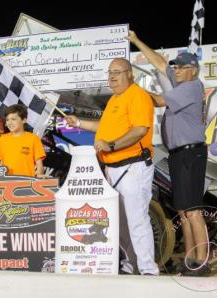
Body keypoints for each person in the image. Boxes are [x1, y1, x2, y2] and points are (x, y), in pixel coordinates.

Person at [65, 58, 159, 275]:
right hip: (113, 168)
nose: (113, 77)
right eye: (110, 73)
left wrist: (112, 144)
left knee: (137, 219)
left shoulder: (137, 95)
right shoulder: (115, 100)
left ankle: (148, 269)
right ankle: (129, 265)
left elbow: (140, 130)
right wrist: (78, 122)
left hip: (133, 166)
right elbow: (103, 128)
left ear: (130, 74)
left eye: (117, 72)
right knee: (120, 223)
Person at [127, 31, 209, 276]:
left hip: (190, 153)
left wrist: (132, 90)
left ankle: (202, 261)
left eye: (182, 68)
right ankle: (189, 259)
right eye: (177, 69)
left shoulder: (192, 86)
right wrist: (137, 40)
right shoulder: (182, 82)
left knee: (192, 210)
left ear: (193, 70)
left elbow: (159, 101)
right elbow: (160, 64)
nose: (177, 71)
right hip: (178, 153)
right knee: (184, 211)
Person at [0, 104, 46, 177]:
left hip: (26, 183)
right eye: (7, 120)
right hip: (6, 183)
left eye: (13, 119)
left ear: (24, 120)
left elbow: (39, 164)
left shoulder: (33, 139)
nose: (9, 123)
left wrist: (39, 177)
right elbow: (2, 163)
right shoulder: (3, 139)